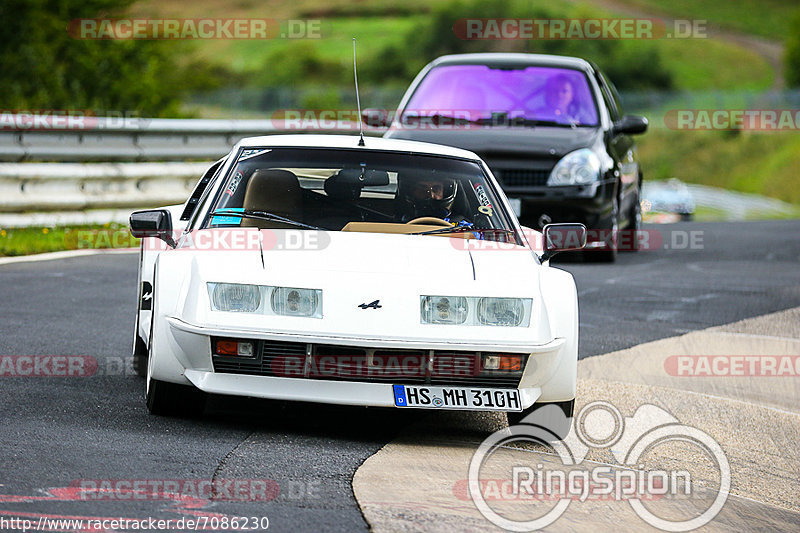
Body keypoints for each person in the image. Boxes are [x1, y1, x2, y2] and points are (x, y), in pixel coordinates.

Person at [395, 174, 463, 223]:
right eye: (422, 189)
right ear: (412, 192)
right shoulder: (396, 223)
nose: (430, 195)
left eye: (436, 189)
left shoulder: (460, 226)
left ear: (444, 193)